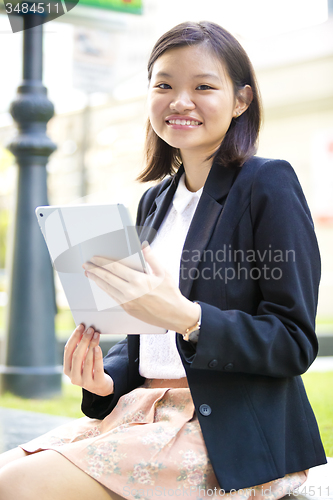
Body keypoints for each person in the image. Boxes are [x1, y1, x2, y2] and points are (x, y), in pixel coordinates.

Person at [0, 21, 326, 500]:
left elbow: (294, 341)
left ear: (241, 101)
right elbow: (146, 338)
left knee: (17, 485)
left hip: (225, 433)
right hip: (143, 412)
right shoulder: (155, 201)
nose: (180, 101)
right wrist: (105, 378)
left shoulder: (266, 183)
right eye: (164, 84)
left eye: (204, 87)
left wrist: (187, 317)